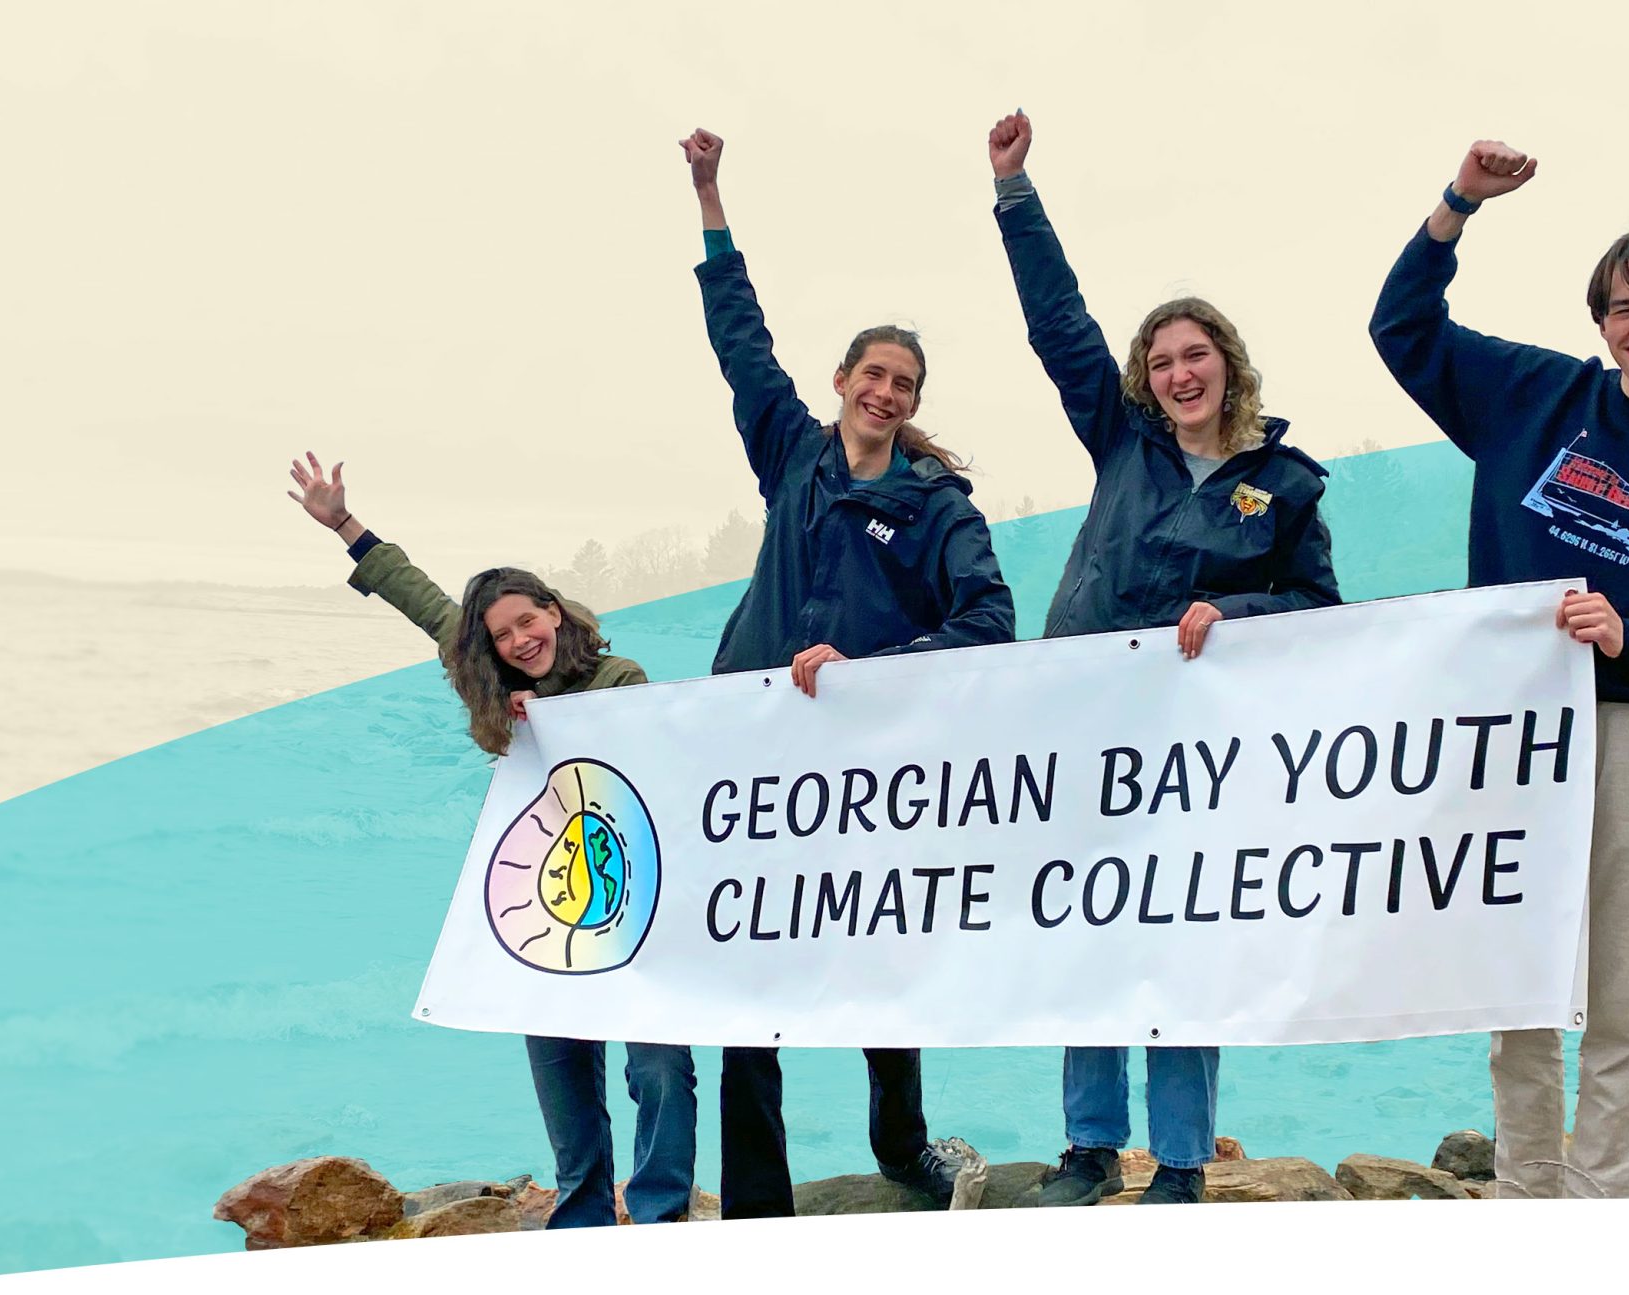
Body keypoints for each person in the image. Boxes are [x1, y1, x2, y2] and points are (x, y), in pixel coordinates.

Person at [1368, 140, 1629, 1200]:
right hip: (1513, 733)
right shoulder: (1534, 398)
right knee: (1518, 970)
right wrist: (1459, 203)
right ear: (1598, 321)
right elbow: (1402, 329)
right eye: (1620, 307)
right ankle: (1524, 1189)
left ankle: (1605, 1203)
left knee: (1621, 985)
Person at [985, 109, 1341, 1206]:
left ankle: (1179, 1160)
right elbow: (1060, 325)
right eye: (1162, 358)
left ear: (1228, 363)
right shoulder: (1121, 440)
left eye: (1198, 355)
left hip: (1200, 753)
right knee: (1086, 922)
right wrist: (1013, 192)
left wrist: (1235, 607)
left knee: (1180, 941)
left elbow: (1320, 612)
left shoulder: (1285, 485)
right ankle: (1090, 1146)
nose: (1180, 372)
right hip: (1085, 729)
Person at [682, 126, 1015, 1217]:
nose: (884, 390)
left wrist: (874, 669)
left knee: (880, 960)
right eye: (872, 372)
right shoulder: (791, 452)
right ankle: (760, 1204)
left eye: (903, 381)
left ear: (914, 402)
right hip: (755, 761)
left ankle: (903, 1145)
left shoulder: (935, 508)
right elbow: (740, 342)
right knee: (749, 977)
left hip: (873, 772)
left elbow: (989, 620)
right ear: (840, 381)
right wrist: (710, 198)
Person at [285, 451, 699, 1227]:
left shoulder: (620, 677)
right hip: (544, 897)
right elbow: (425, 602)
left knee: (660, 1066)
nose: (520, 639)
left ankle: (662, 1213)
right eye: (503, 633)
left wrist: (559, 724)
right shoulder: (492, 683)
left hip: (632, 894)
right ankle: (581, 1215)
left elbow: (656, 766)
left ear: (554, 610)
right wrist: (344, 523)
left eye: (528, 620)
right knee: (563, 1067)